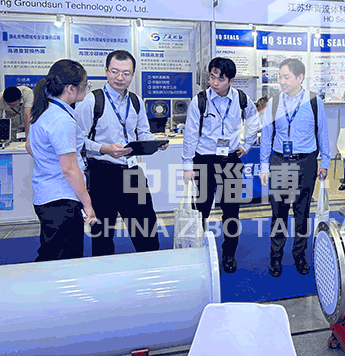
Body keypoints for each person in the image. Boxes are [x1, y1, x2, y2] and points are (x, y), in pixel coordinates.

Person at [75, 49, 168, 257]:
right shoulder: (91, 101)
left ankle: (151, 269)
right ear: (106, 71)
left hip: (132, 173)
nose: (120, 77)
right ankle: (105, 272)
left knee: (146, 229)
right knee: (103, 234)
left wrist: (155, 143)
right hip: (101, 173)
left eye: (126, 73)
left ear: (132, 74)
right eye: (115, 71)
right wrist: (103, 148)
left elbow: (143, 132)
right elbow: (77, 140)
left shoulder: (136, 101)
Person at [181, 57, 260, 273]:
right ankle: (198, 249)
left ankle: (229, 253)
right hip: (204, 160)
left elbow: (253, 119)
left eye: (221, 79)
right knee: (201, 209)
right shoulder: (200, 101)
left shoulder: (241, 99)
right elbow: (190, 134)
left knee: (231, 211)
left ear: (231, 81)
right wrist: (187, 165)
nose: (215, 82)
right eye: (212, 77)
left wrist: (247, 144)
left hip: (230, 161)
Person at [260, 58, 330, 277]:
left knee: (302, 212)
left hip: (305, 162)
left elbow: (322, 133)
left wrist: (325, 162)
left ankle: (299, 255)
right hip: (280, 161)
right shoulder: (274, 102)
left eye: (286, 77)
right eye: (280, 77)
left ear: (300, 78)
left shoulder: (314, 102)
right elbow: (267, 136)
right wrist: (264, 166)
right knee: (278, 213)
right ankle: (276, 257)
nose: (281, 81)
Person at [25, 60, 97, 261]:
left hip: (47, 195)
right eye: (85, 85)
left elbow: (29, 146)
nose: (87, 89)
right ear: (71, 89)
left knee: (53, 252)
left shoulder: (44, 110)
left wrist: (49, 164)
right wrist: (88, 204)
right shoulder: (61, 120)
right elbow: (70, 169)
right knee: (62, 259)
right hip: (62, 199)